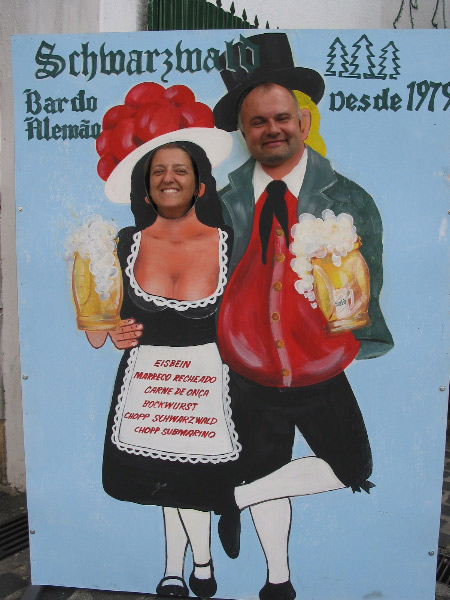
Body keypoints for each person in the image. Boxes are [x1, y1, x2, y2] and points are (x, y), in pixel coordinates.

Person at [212, 33, 394, 600]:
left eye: (281, 118)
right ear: (245, 133)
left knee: (351, 467)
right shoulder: (223, 199)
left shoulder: (349, 197)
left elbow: (369, 281)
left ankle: (230, 498)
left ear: (303, 122)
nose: (272, 130)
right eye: (258, 122)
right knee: (266, 467)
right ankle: (278, 581)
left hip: (319, 364)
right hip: (247, 368)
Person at [84, 128, 238, 599]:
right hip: (147, 384)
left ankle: (189, 567)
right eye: (158, 172)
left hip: (208, 383)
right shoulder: (120, 244)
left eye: (180, 170)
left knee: (192, 477)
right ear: (146, 188)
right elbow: (96, 329)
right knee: (163, 477)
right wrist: (112, 329)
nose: (169, 178)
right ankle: (190, 567)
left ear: (200, 185)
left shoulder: (230, 242)